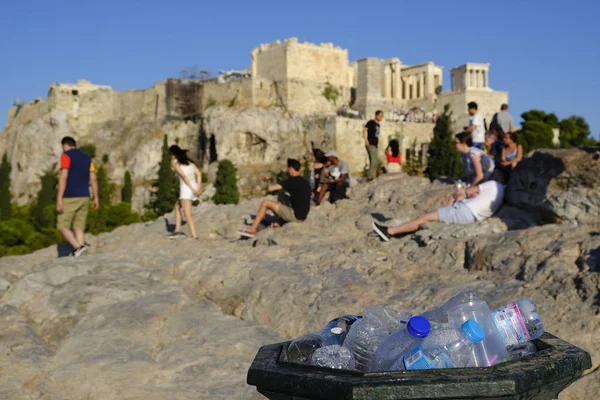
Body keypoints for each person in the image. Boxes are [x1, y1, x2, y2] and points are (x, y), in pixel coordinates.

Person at [372, 169, 507, 241]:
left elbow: (468, 191)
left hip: (464, 211)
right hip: (469, 214)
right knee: (437, 213)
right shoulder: (502, 192)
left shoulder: (493, 184)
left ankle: (390, 231)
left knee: (424, 218)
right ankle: (402, 230)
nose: (491, 176)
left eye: (495, 174)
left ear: (499, 177)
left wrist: (462, 191)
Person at [239, 158, 311, 238]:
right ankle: (280, 222)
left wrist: (269, 180)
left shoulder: (291, 181)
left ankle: (252, 229)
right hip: (303, 216)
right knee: (282, 196)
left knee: (265, 203)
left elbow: (271, 189)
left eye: (288, 168)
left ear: (291, 168)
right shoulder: (304, 181)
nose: (287, 171)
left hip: (295, 216)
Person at [56, 136, 99, 257]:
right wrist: (96, 197)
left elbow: (63, 177)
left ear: (65, 146)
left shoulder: (66, 156)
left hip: (70, 195)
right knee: (79, 226)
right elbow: (93, 179)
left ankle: (77, 247)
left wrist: (59, 199)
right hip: (85, 196)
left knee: (62, 225)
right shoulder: (87, 158)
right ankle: (82, 250)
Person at [167, 145, 203, 240]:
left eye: (170, 154)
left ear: (174, 154)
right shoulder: (190, 162)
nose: (170, 156)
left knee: (187, 214)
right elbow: (199, 174)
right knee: (177, 206)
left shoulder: (175, 163)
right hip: (193, 187)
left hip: (186, 189)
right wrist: (198, 187)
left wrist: (191, 188)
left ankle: (194, 235)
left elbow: (183, 177)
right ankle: (177, 230)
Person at [363, 110, 384, 180]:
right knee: (375, 160)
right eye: (380, 116)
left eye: (382, 116)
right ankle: (369, 176)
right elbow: (364, 130)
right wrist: (366, 140)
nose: (381, 117)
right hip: (370, 143)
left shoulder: (378, 125)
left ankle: (372, 175)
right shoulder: (371, 122)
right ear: (376, 115)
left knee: (373, 160)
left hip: (375, 144)